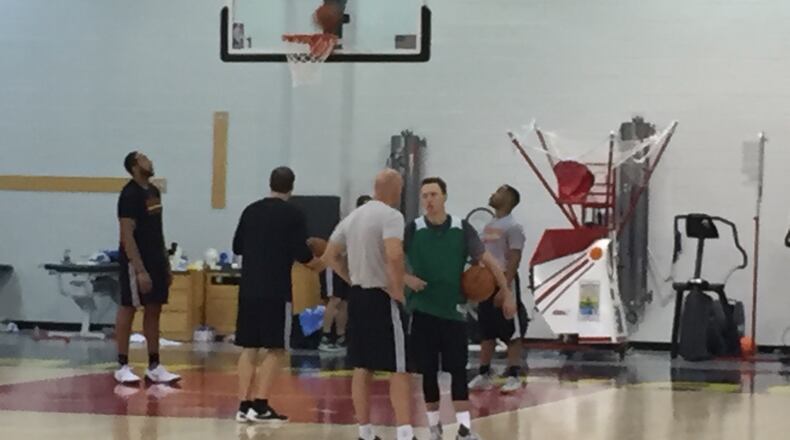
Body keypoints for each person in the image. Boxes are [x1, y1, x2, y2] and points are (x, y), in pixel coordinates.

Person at [404, 178, 513, 440]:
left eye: (433, 194)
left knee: (457, 371)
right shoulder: (413, 228)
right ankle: (433, 428)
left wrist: (506, 292)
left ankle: (464, 429)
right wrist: (406, 279)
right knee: (428, 371)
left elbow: (490, 262)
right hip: (422, 310)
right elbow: (392, 260)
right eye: (424, 195)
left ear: (444, 197)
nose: (429, 200)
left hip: (453, 312)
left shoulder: (460, 228)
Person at [323, 170, 416, 440]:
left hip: (358, 297)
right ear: (391, 189)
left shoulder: (352, 217)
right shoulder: (391, 216)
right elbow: (394, 254)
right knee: (400, 367)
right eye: (398, 189)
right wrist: (398, 290)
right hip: (382, 296)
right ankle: (405, 433)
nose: (399, 194)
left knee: (362, 367)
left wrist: (350, 277)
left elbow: (330, 255)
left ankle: (365, 432)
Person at [232, 166, 325, 423]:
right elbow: (303, 254)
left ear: (269, 183)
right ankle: (260, 405)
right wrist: (321, 258)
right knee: (276, 348)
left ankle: (243, 405)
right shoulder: (293, 214)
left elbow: (237, 245)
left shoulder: (250, 210)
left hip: (248, 288)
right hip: (276, 290)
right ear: (292, 187)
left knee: (249, 347)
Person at [114, 151, 181, 385]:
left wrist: (165, 263)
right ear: (134, 166)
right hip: (136, 261)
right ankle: (122, 365)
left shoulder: (153, 191)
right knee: (129, 308)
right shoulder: (129, 194)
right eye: (144, 159)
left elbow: (157, 230)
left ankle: (154, 365)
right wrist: (139, 269)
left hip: (155, 260)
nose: (150, 161)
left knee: (154, 310)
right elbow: (127, 235)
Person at [468, 184, 529, 394]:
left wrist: (506, 289)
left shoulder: (513, 227)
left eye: (499, 192)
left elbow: (514, 258)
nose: (492, 193)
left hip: (505, 280)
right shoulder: (489, 226)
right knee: (486, 330)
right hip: (486, 281)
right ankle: (484, 373)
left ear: (509, 199)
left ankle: (514, 375)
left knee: (510, 330)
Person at [319, 194, 372, 352]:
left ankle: (341, 337)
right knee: (334, 300)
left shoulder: (369, 227)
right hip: (333, 265)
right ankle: (325, 335)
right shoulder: (348, 223)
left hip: (349, 268)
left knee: (345, 302)